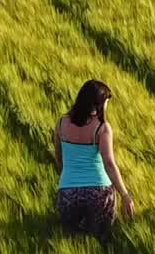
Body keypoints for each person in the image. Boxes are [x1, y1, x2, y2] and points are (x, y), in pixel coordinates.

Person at [53, 79, 135, 237]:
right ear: (97, 103)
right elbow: (109, 164)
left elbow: (59, 155)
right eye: (105, 103)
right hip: (99, 194)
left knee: (72, 240)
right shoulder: (102, 128)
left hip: (68, 194)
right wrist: (125, 195)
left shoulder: (61, 123)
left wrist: (68, 179)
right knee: (101, 239)